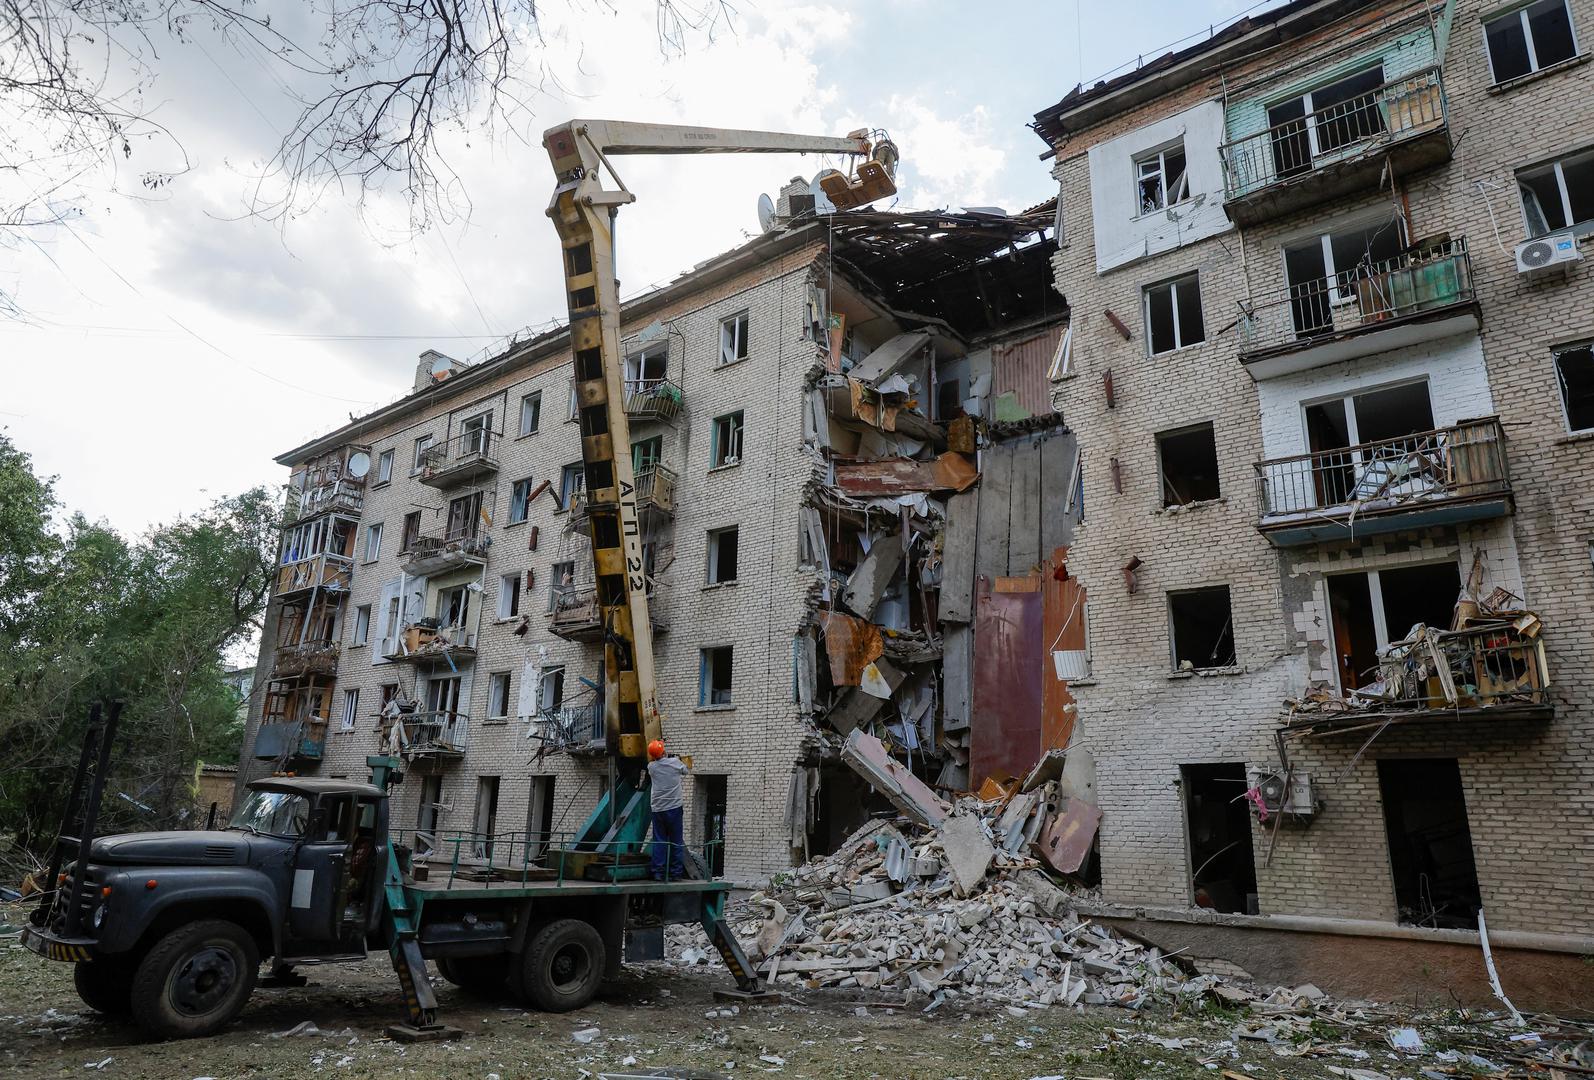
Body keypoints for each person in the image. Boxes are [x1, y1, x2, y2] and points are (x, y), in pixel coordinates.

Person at [646, 739, 688, 881]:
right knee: (676, 841)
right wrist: (675, 759)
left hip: (657, 809)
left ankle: (658, 872)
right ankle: (676, 874)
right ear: (663, 751)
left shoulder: (651, 767)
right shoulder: (675, 763)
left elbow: (657, 762)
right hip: (674, 808)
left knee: (659, 840)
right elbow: (686, 770)